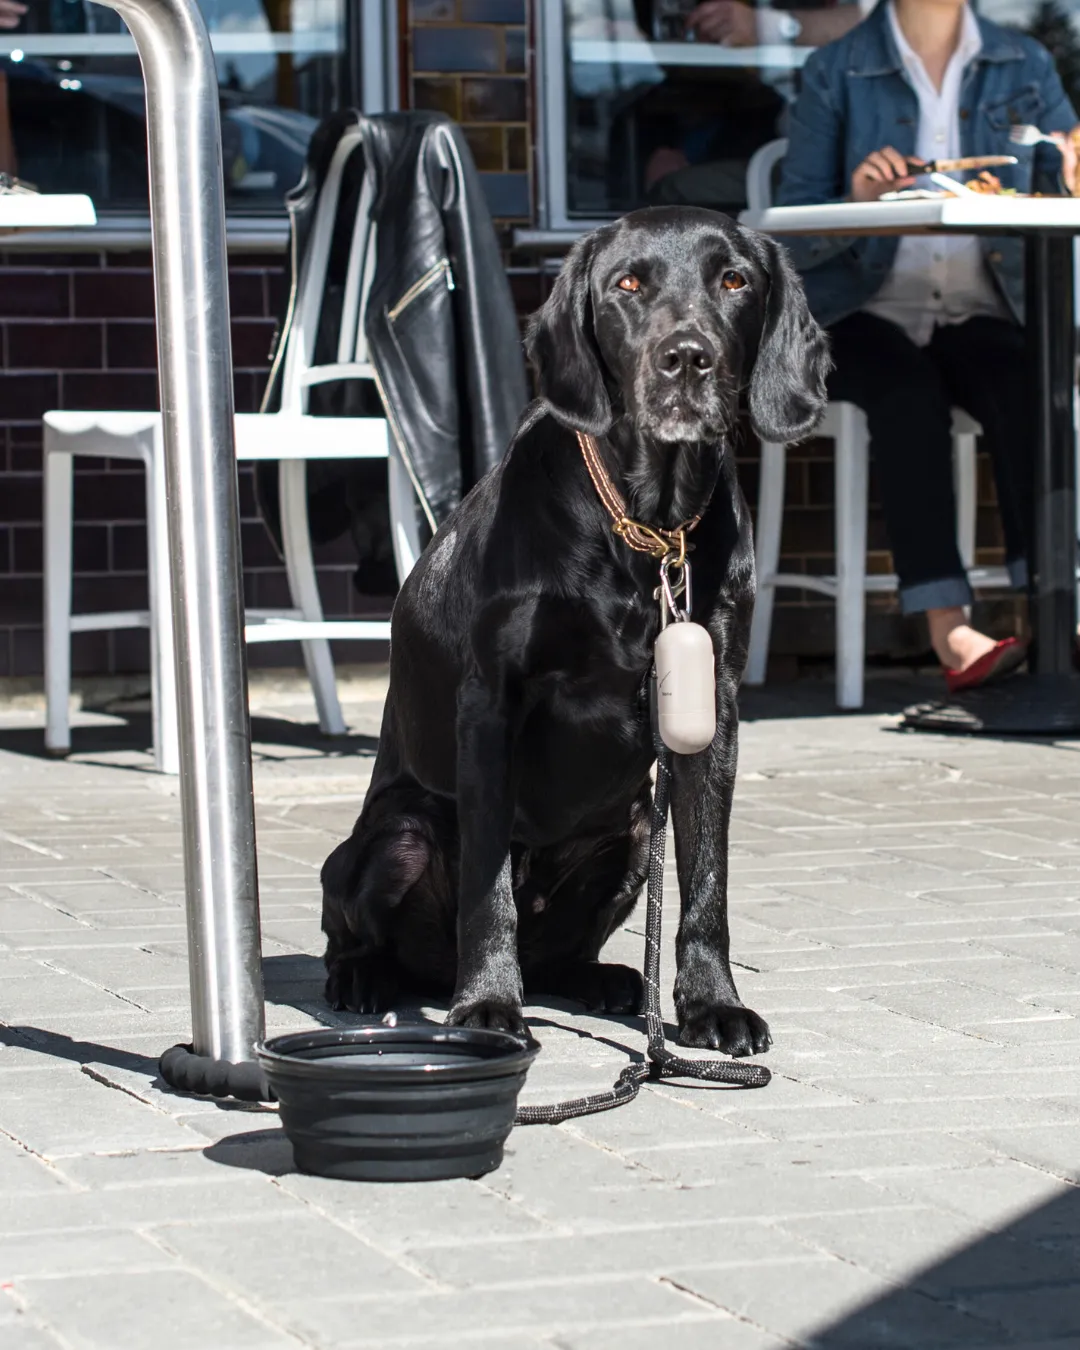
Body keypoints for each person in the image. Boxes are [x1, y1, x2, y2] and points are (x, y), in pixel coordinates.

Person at [777, 0, 1079, 690]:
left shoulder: (1024, 63)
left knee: (1028, 384)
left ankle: (1059, 619)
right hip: (861, 310)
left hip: (978, 304)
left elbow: (1060, 180)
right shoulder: (837, 68)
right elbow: (792, 231)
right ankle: (952, 631)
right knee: (906, 393)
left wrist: (1064, 175)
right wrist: (856, 198)